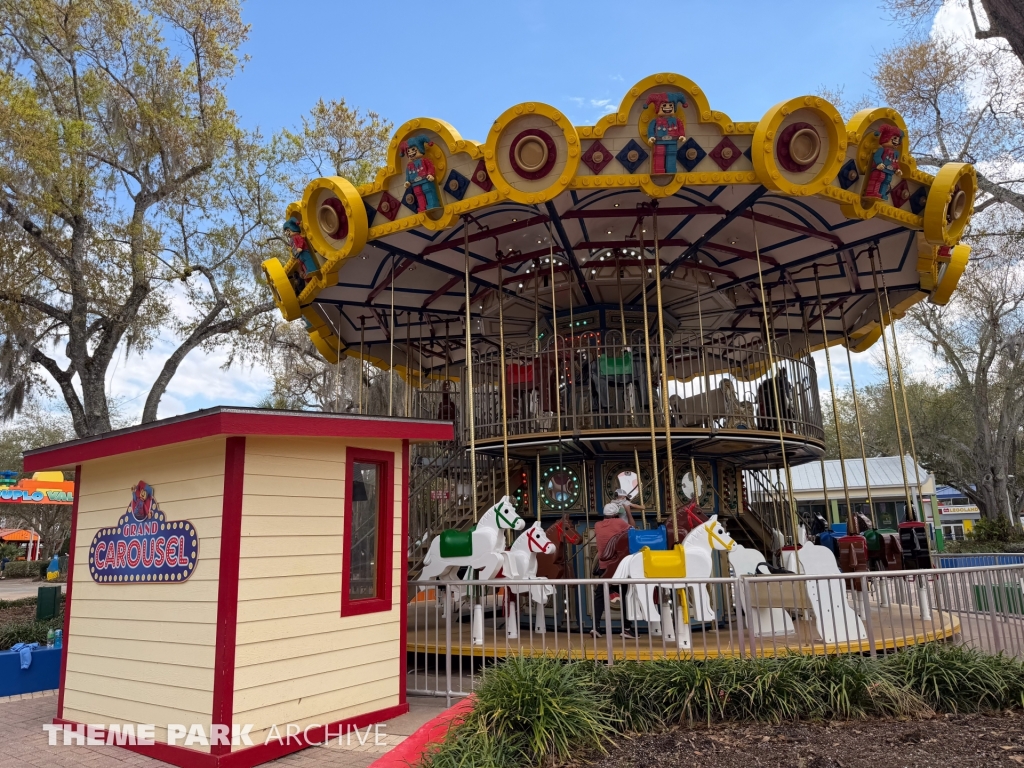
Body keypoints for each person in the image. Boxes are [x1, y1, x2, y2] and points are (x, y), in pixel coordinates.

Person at [590, 502, 635, 638]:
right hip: (619, 566)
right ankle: (627, 628)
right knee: (627, 594)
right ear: (616, 514)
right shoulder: (619, 523)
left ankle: (596, 626)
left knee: (600, 596)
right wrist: (627, 510)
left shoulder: (597, 525)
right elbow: (633, 528)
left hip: (604, 567)